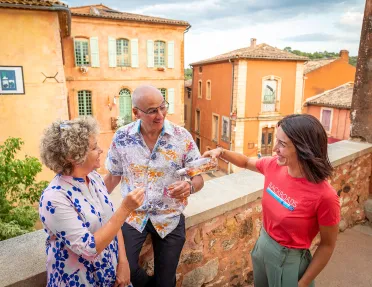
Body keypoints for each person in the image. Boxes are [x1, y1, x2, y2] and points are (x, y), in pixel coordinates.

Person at [203, 114, 340, 287]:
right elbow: (245, 162)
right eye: (277, 140)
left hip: (288, 261)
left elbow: (327, 245)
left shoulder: (325, 196)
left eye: (282, 144)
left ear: (304, 148)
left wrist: (302, 283)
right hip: (263, 247)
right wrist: (221, 152)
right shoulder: (274, 165)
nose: (275, 148)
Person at [104, 85, 204, 287]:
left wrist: (189, 187)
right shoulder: (121, 138)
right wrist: (90, 204)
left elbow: (199, 178)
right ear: (136, 113)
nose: (160, 115)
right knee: (125, 269)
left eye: (162, 107)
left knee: (166, 281)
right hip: (133, 216)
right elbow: (113, 177)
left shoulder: (182, 137)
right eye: (151, 111)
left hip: (170, 216)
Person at [39, 117, 144, 287]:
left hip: (110, 274)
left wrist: (123, 262)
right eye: (94, 147)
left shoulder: (94, 178)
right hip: (78, 281)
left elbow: (112, 222)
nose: (100, 150)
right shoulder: (54, 198)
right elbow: (88, 249)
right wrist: (125, 208)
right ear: (73, 156)